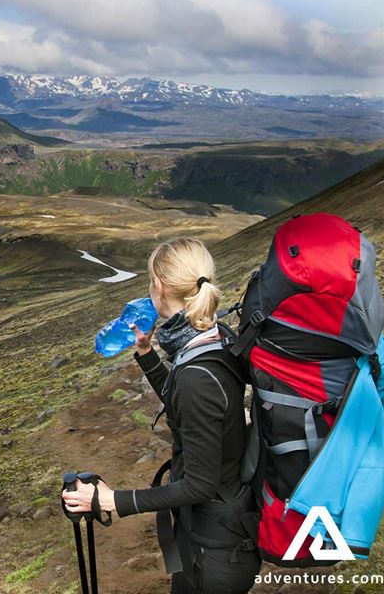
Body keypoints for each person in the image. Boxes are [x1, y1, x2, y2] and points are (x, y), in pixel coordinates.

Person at [62, 237, 261, 593]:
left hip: (215, 549)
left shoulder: (196, 375)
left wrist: (113, 501)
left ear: (159, 286)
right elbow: (188, 406)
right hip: (211, 532)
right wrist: (146, 352)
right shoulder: (213, 338)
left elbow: (201, 484)